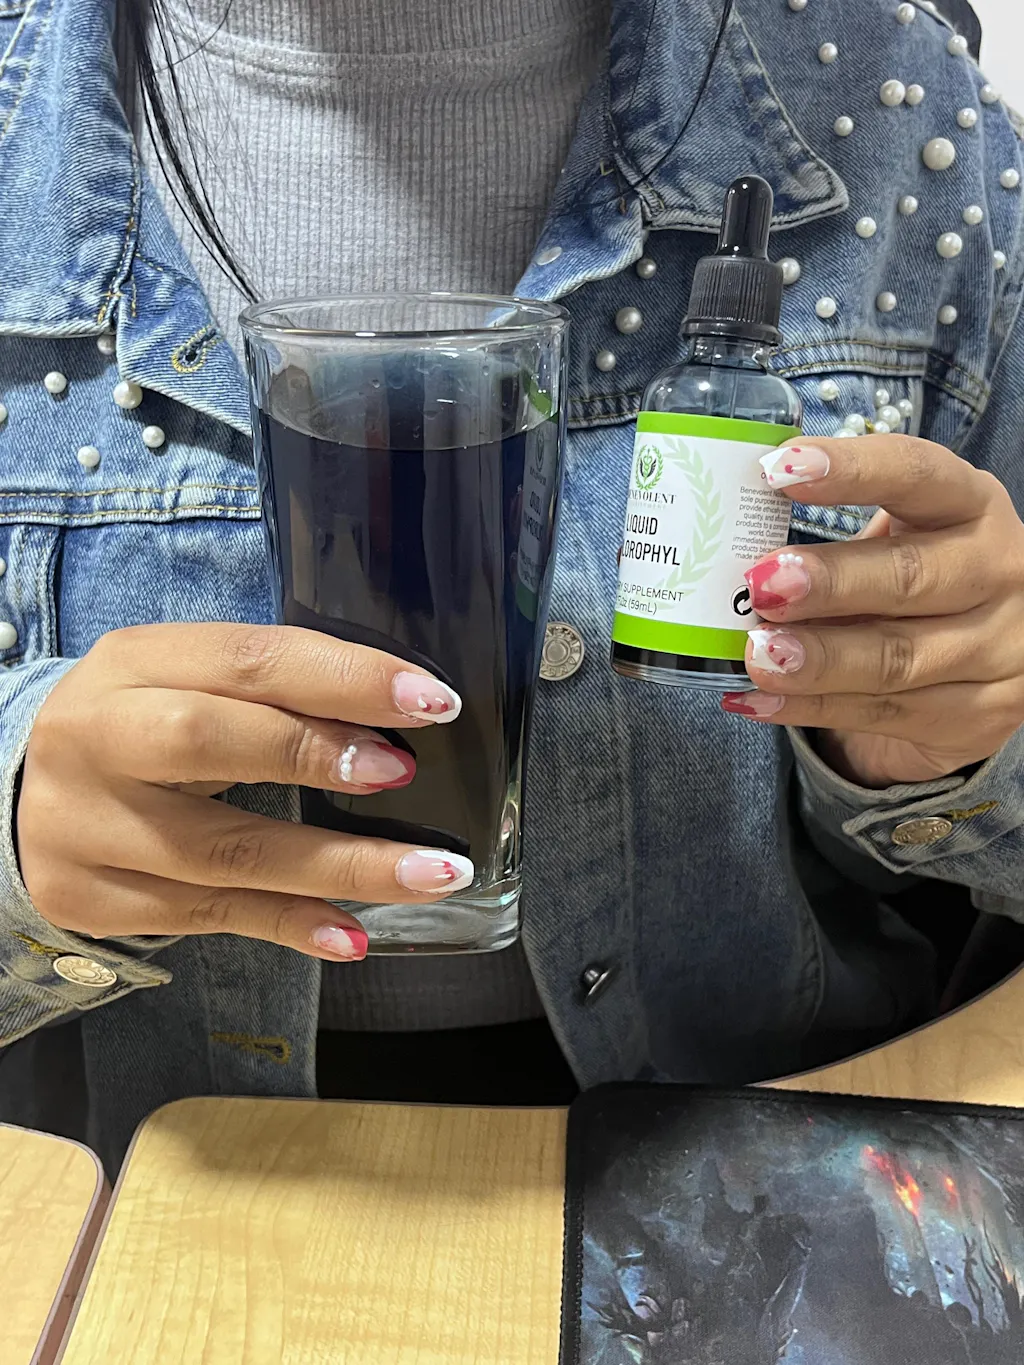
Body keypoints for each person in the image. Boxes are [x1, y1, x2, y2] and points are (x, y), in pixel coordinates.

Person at [2, 0, 1023, 1175]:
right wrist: (17, 820)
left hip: (754, 1167)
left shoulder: (902, 112)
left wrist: (957, 748)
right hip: (136, 1190)